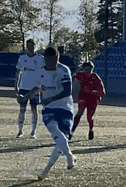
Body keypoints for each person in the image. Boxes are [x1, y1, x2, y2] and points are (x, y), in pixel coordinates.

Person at [30, 46, 76, 178]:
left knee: (63, 139)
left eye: (54, 61)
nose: (51, 64)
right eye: (49, 61)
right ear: (45, 60)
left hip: (65, 108)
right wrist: (26, 96)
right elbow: (37, 88)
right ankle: (67, 157)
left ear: (58, 59)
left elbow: (68, 91)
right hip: (49, 109)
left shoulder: (63, 70)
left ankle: (48, 168)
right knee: (56, 132)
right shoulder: (40, 72)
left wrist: (51, 98)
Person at [13, 38, 44, 138]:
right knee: (22, 109)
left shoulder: (40, 58)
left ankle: (33, 132)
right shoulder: (22, 58)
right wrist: (16, 86)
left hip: (35, 87)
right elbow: (18, 73)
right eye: (29, 45)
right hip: (23, 86)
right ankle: (20, 131)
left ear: (35, 46)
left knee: (34, 108)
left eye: (32, 46)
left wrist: (42, 87)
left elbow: (44, 73)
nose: (30, 48)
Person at [72, 60, 106, 141]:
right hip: (83, 96)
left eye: (89, 70)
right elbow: (73, 80)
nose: (87, 72)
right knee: (80, 112)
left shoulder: (95, 77)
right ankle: (71, 131)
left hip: (93, 98)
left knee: (89, 117)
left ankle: (91, 129)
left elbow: (102, 91)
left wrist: (93, 91)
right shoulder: (79, 75)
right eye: (85, 69)